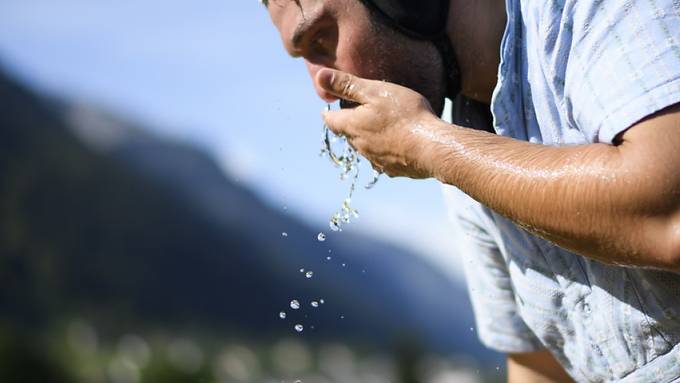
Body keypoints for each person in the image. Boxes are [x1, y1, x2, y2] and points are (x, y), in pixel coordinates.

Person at [263, 0, 680, 381]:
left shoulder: (589, 11)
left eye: (322, 38)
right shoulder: (459, 150)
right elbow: (538, 362)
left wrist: (429, 146)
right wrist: (439, 147)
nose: (319, 84)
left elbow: (669, 216)